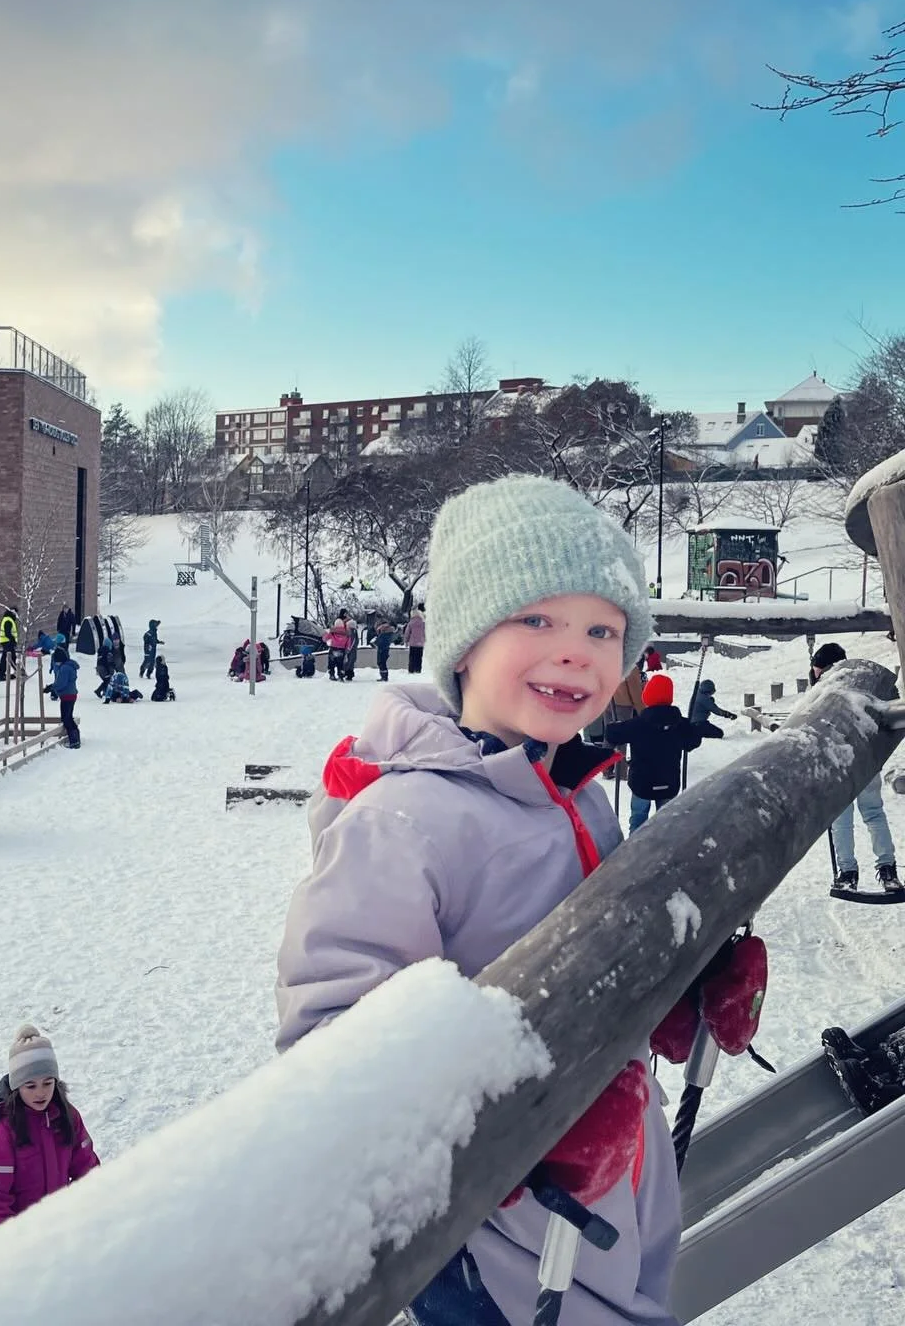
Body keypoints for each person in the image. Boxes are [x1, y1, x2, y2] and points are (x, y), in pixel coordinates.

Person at [275, 474, 682, 1326]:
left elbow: (597, 956)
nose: (576, 651)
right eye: (536, 619)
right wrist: (534, 1119)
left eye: (603, 629)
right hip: (493, 1246)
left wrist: (682, 971)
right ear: (462, 643)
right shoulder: (408, 819)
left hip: (609, 1209)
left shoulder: (573, 789)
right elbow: (334, 1041)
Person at [0, 1025, 99, 1236]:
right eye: (30, 1086)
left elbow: (86, 1168)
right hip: (20, 1227)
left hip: (60, 1219)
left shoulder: (68, 1117)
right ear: (17, 1086)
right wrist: (4, 1239)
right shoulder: (3, 1131)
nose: (41, 1093)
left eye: (47, 1083)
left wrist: (91, 1211)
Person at [811, 643, 902, 892]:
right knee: (873, 813)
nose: (815, 670)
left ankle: (848, 872)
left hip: (839, 760)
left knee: (841, 820)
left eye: (817, 666)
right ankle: (887, 870)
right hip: (867, 759)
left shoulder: (826, 689)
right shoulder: (862, 683)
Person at [606, 673, 716, 834]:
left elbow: (612, 735)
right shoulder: (680, 724)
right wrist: (693, 728)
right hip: (669, 783)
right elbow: (692, 742)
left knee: (638, 820)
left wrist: (614, 724)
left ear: (647, 697)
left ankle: (635, 851)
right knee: (666, 824)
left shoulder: (638, 724)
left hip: (641, 784)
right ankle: (666, 850)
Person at [54, 651, 81, 747]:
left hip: (67, 696)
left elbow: (61, 683)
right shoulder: (69, 666)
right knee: (69, 717)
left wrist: (53, 687)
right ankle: (76, 736)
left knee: (66, 719)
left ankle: (74, 741)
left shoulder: (64, 668)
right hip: (71, 694)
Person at [324, 617, 353, 682]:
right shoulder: (346, 632)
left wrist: (326, 634)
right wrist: (348, 648)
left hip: (333, 648)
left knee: (331, 663)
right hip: (341, 650)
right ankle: (341, 675)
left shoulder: (332, 632)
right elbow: (349, 642)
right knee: (340, 664)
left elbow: (325, 638)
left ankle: (332, 674)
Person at [0, 610, 19, 680]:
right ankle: (17, 671)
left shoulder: (8, 619)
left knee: (8, 657)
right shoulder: (8, 620)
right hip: (7, 641)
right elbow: (7, 633)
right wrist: (13, 640)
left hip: (6, 641)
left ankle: (2, 674)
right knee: (11, 657)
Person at [403, 607, 426, 675]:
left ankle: (411, 670)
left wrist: (406, 641)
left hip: (412, 643)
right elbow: (425, 632)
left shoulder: (411, 622)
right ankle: (418, 669)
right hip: (421, 643)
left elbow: (407, 633)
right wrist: (425, 640)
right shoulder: (423, 623)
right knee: (419, 657)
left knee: (412, 657)